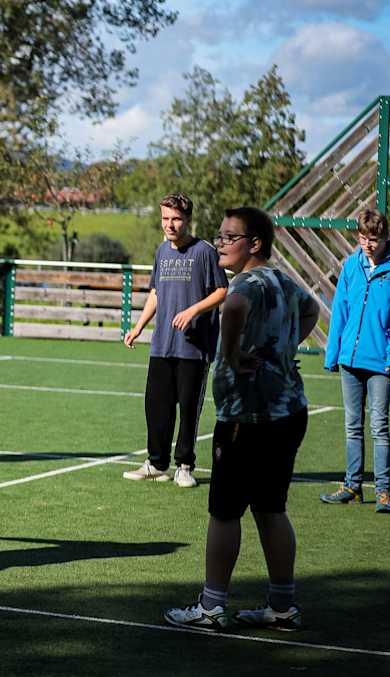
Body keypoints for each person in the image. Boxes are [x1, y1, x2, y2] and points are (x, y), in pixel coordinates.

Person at [164, 206, 318, 632]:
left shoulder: (245, 284)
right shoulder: (282, 280)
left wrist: (231, 355)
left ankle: (212, 607)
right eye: (219, 236)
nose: (220, 244)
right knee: (271, 508)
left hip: (246, 418)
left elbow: (233, 309)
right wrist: (283, 348)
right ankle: (282, 606)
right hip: (289, 411)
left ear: (255, 244)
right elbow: (311, 310)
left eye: (230, 237)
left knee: (225, 512)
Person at [122, 193, 228, 488]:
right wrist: (138, 327)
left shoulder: (205, 252)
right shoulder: (161, 252)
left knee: (188, 409)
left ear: (188, 220)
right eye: (165, 218)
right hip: (162, 345)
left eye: (176, 219)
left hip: (193, 348)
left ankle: (184, 466)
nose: (170, 224)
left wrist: (193, 310)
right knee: (156, 406)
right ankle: (157, 464)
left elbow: (222, 291)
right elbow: (155, 293)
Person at [320, 209, 390, 514]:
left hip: (381, 362)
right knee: (352, 425)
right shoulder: (351, 265)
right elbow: (340, 310)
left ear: (384, 238)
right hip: (350, 360)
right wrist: (334, 353)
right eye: (362, 238)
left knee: (379, 426)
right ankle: (352, 487)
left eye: (373, 239)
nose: (367, 245)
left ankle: (383, 492)